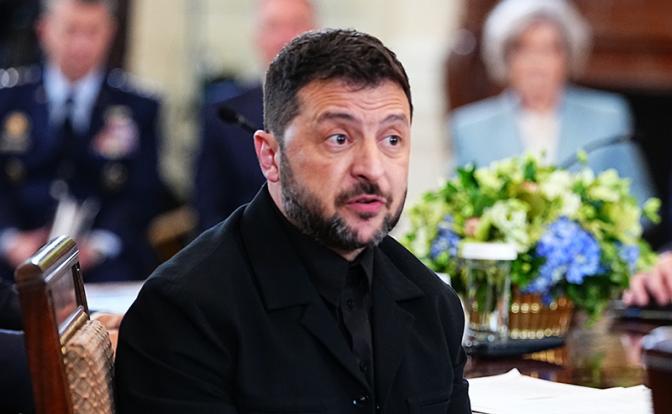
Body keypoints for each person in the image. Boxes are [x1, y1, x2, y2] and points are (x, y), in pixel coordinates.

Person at [115, 29, 471, 413]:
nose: (372, 169)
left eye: (392, 139)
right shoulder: (184, 311)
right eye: (339, 138)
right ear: (270, 156)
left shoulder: (434, 305)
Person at [0, 0, 163, 282]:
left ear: (110, 32)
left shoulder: (139, 106)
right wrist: (11, 240)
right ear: (44, 30)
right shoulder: (8, 100)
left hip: (103, 266)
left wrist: (98, 246)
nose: (81, 44)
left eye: (92, 32)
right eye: (71, 30)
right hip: (13, 262)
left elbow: (143, 191)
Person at [450, 0, 654, 206]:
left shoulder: (608, 117)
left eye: (549, 50)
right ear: (505, 57)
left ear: (568, 57)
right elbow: (456, 205)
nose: (537, 63)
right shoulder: (470, 128)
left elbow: (638, 202)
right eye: (524, 49)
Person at [194, 0, 316, 231]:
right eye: (274, 26)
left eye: (296, 25)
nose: (286, 37)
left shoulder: (344, 112)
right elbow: (208, 210)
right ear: (257, 37)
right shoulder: (225, 114)